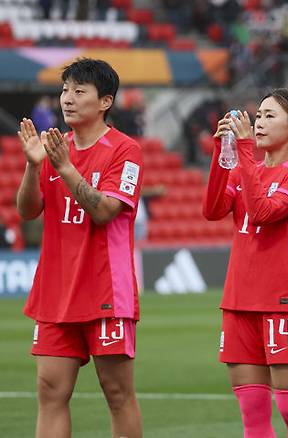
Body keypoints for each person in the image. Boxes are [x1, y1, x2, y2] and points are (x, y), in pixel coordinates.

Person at [17, 58, 143, 438]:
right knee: (50, 390)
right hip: (56, 289)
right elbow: (27, 210)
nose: (67, 99)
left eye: (79, 91)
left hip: (105, 287)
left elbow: (105, 211)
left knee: (117, 392)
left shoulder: (126, 150)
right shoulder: (53, 146)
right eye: (65, 90)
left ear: (104, 101)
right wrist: (31, 166)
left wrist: (65, 167)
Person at [202, 82, 288, 438]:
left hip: (283, 302)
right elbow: (212, 209)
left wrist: (242, 152)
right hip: (239, 302)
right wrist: (221, 155)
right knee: (252, 416)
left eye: (270, 116)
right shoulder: (244, 169)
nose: (259, 122)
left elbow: (263, 212)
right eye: (258, 116)